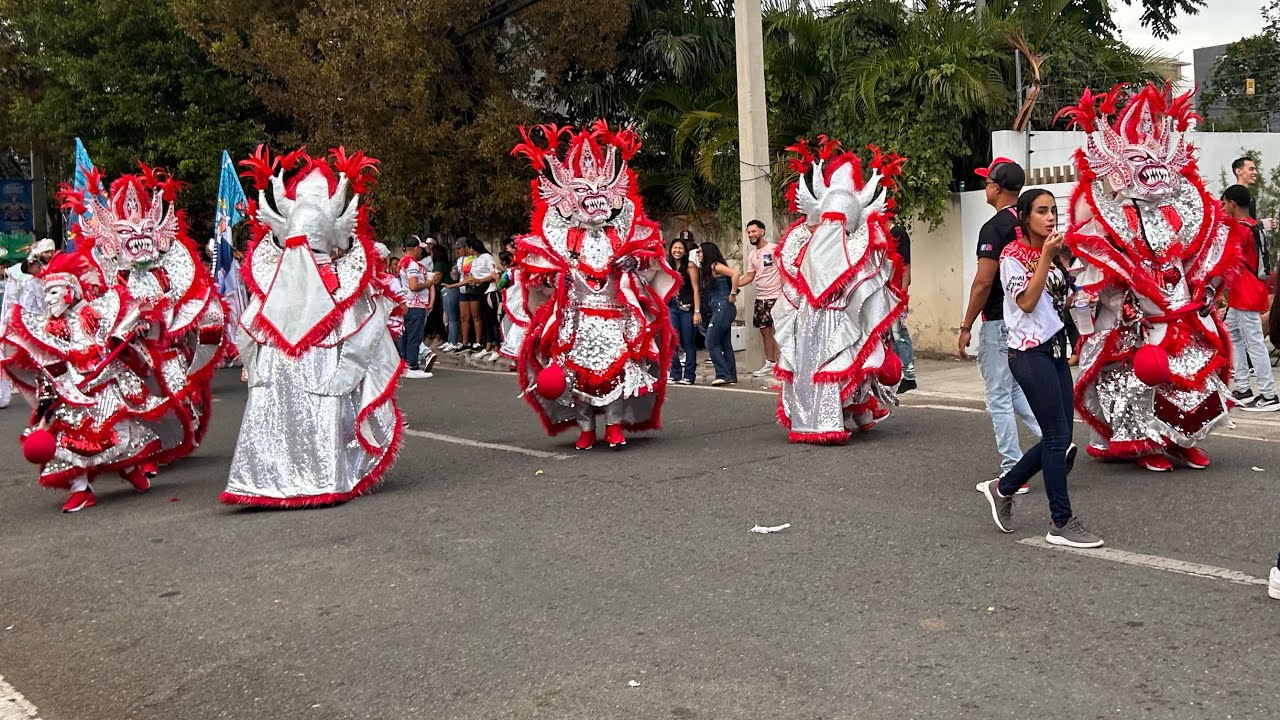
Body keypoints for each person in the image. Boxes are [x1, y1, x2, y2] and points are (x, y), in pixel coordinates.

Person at [1060, 84, 1235, 472]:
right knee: (1137, 382)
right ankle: (1145, 444)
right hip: (1136, 320)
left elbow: (1195, 257)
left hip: (1181, 311)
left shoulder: (1180, 213)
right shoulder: (1109, 219)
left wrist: (1206, 289)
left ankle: (1184, 440)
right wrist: (1118, 299)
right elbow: (1098, 270)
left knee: (1194, 377)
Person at [223, 146, 403, 507]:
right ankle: (303, 475)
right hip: (303, 297)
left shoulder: (295, 285)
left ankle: (292, 475)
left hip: (309, 296)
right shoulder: (300, 282)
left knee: (313, 383)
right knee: (293, 387)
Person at [507, 122, 678, 450]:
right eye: (586, 194)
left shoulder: (622, 233)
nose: (595, 201)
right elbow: (537, 273)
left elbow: (650, 259)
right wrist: (551, 278)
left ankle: (614, 427)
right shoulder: (563, 237)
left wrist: (633, 263)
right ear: (570, 201)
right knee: (577, 377)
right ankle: (586, 429)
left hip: (616, 318)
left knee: (616, 374)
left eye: (601, 194)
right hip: (576, 319)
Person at [978, 188, 1100, 548]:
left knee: (1058, 438)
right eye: (1042, 211)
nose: (1051, 218)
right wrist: (1047, 256)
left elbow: (1058, 299)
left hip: (1057, 348)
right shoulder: (1012, 256)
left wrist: (1079, 297)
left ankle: (1003, 488)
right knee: (1058, 438)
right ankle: (1060, 521)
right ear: (1024, 216)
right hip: (1029, 354)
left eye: (1053, 211)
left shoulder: (1057, 252)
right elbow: (1028, 303)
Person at [771, 138, 906, 443]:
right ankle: (836, 418)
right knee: (843, 359)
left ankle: (859, 411)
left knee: (849, 358)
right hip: (823, 317)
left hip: (822, 317)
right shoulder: (842, 244)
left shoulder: (814, 242)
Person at [958, 157, 1042, 477]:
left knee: (998, 396)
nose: (985, 187)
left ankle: (1013, 469)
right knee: (1016, 390)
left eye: (987, 181)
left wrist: (966, 326)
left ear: (996, 187)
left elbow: (983, 282)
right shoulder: (1030, 221)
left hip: (999, 321)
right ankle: (1054, 443)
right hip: (1027, 321)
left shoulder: (994, 228)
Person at [1222, 185, 1278, 410]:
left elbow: (1224, 258)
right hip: (1246, 291)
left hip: (1245, 293)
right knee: (1231, 332)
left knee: (1254, 342)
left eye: (1225, 203)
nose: (1223, 207)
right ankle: (1243, 388)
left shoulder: (1240, 229)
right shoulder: (1254, 226)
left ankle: (1269, 395)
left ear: (1233, 204)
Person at [737, 219, 782, 377]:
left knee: (782, 332)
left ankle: (783, 365)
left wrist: (785, 295)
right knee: (765, 331)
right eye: (749, 232)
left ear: (762, 232)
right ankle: (770, 363)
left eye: (754, 231)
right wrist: (735, 284)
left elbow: (783, 271)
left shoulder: (774, 249)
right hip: (761, 298)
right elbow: (750, 276)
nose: (751, 234)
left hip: (777, 297)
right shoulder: (752, 255)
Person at [698, 242, 740, 386]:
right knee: (725, 343)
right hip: (720, 308)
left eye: (700, 252)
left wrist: (733, 293)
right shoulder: (707, 269)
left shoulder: (715, 266)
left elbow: (735, 274)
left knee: (710, 341)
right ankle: (731, 375)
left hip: (723, 306)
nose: (698, 255)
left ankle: (723, 374)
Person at [398, 235, 438, 378]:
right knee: (414, 337)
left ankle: (405, 365)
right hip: (415, 306)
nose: (421, 252)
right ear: (415, 249)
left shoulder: (404, 262)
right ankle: (412, 367)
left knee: (407, 337)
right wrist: (428, 283)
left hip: (407, 304)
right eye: (420, 249)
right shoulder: (413, 264)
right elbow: (414, 286)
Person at [667, 233, 700, 384]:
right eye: (675, 248)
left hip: (687, 307)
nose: (677, 250)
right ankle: (674, 373)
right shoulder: (667, 266)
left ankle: (689, 375)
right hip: (672, 306)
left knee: (688, 342)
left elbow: (696, 289)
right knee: (672, 340)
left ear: (685, 251)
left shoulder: (690, 266)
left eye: (680, 248)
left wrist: (697, 312)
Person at [888, 221, 917, 392]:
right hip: (887, 293)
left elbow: (905, 266)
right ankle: (896, 373)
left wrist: (903, 295)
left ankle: (909, 376)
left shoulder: (898, 234)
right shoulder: (884, 235)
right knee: (891, 336)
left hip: (896, 293)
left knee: (899, 333)